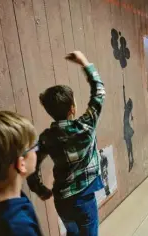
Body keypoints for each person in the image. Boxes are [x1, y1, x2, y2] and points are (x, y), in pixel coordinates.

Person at [27, 51, 106, 236]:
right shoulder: (85, 126)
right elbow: (99, 92)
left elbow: (32, 161)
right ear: (72, 108)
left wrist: (39, 189)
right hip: (84, 200)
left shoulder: (47, 137)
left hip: (62, 201)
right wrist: (85, 63)